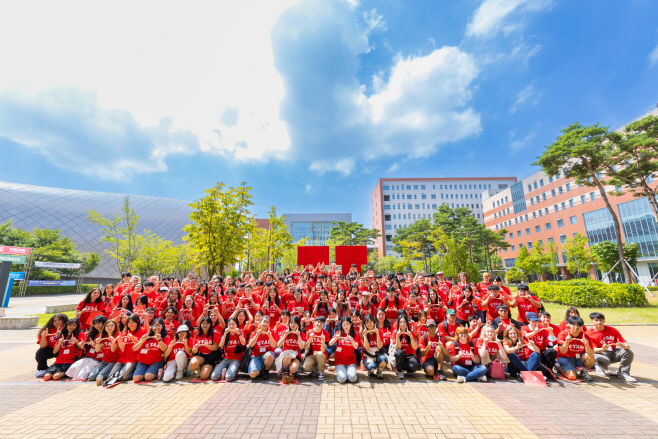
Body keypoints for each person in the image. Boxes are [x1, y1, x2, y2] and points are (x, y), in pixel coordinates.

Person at [587, 312, 636, 382]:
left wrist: (623, 346)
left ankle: (623, 373)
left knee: (629, 353)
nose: (599, 322)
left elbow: (627, 346)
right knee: (605, 360)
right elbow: (592, 350)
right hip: (599, 353)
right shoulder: (589, 333)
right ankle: (598, 365)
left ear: (604, 321)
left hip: (612, 352)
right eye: (596, 320)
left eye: (601, 320)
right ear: (592, 320)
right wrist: (603, 349)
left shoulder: (612, 330)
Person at [66, 315, 107, 381]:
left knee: (81, 375)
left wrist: (95, 344)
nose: (97, 325)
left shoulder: (107, 335)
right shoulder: (92, 333)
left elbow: (102, 349)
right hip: (87, 357)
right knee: (72, 369)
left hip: (97, 359)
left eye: (99, 323)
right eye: (95, 323)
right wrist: (78, 343)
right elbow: (83, 347)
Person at [109, 313, 147, 382]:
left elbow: (139, 345)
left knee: (122, 377)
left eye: (132, 322)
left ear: (138, 321)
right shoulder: (125, 332)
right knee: (111, 376)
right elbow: (122, 348)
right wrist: (119, 341)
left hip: (134, 359)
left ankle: (133, 373)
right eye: (129, 322)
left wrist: (132, 337)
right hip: (123, 358)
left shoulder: (142, 330)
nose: (130, 324)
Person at [556, 316, 594, 381]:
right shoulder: (563, 334)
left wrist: (586, 345)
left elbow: (591, 354)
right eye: (573, 325)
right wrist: (567, 342)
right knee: (572, 377)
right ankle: (557, 366)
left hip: (578, 358)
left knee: (590, 357)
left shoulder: (585, 336)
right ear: (569, 325)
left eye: (579, 325)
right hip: (565, 358)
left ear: (582, 327)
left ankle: (584, 371)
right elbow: (562, 351)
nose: (576, 327)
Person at [133, 318, 169, 383]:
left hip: (156, 361)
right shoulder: (147, 337)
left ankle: (159, 373)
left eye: (158, 325)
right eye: (154, 325)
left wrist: (159, 340)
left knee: (148, 377)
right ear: (152, 327)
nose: (156, 327)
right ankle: (145, 372)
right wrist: (142, 340)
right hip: (143, 361)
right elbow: (134, 349)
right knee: (136, 379)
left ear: (163, 326)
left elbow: (165, 349)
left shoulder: (165, 337)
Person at [35, 313, 69, 377]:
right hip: (52, 349)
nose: (57, 322)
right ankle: (43, 369)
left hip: (64, 349)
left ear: (64, 320)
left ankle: (64, 369)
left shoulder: (68, 328)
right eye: (54, 321)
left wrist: (61, 334)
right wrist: (44, 337)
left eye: (59, 320)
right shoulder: (48, 330)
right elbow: (43, 346)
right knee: (40, 352)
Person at [89, 319, 121, 384]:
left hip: (114, 361)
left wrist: (113, 341)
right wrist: (97, 343)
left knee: (100, 376)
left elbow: (113, 350)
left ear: (115, 327)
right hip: (105, 361)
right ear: (104, 327)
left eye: (112, 326)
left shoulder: (118, 336)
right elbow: (98, 350)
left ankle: (116, 371)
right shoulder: (103, 336)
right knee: (92, 377)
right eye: (107, 326)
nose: (109, 327)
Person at [274, 315, 305, 380]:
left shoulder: (301, 334)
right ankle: (287, 370)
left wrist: (298, 336)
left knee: (293, 369)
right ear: (289, 324)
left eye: (295, 323)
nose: (293, 324)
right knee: (287, 357)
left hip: (296, 356)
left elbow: (302, 347)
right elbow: (278, 345)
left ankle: (292, 370)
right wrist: (285, 335)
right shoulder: (285, 332)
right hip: (286, 356)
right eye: (291, 323)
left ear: (298, 324)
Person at [330, 317, 359, 383]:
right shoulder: (338, 333)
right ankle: (342, 371)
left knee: (352, 379)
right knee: (342, 379)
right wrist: (335, 338)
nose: (345, 326)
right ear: (341, 325)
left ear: (351, 324)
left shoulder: (355, 335)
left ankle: (349, 372)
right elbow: (330, 343)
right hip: (339, 361)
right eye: (344, 324)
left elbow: (356, 347)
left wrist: (352, 340)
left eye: (347, 324)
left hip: (351, 362)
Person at [247, 315, 277, 379]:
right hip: (256, 356)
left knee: (269, 356)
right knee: (252, 374)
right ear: (260, 323)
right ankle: (260, 369)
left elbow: (274, 345)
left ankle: (266, 370)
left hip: (267, 355)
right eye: (264, 321)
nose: (265, 324)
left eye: (267, 322)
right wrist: (257, 334)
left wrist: (270, 336)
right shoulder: (254, 333)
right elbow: (250, 345)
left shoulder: (271, 332)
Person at [302, 316, 330, 381]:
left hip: (321, 355)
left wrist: (323, 341)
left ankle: (321, 372)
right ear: (314, 322)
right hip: (311, 355)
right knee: (306, 367)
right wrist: (309, 339)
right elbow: (306, 347)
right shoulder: (309, 332)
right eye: (318, 322)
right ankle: (315, 367)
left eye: (321, 323)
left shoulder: (325, 333)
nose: (319, 324)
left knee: (320, 354)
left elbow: (323, 350)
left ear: (323, 324)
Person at [394, 315, 419, 380]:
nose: (402, 324)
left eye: (404, 322)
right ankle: (400, 371)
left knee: (414, 367)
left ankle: (407, 368)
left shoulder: (411, 333)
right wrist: (397, 337)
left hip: (409, 356)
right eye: (401, 322)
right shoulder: (396, 333)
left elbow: (415, 348)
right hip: (401, 356)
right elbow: (398, 348)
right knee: (399, 352)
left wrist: (411, 337)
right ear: (398, 323)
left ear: (407, 323)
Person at [362, 313, 385, 379]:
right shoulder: (363, 333)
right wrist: (365, 335)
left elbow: (380, 346)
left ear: (374, 322)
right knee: (372, 367)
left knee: (383, 360)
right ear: (365, 325)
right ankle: (371, 369)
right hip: (368, 355)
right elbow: (366, 347)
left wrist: (377, 334)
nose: (369, 324)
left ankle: (379, 371)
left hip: (378, 353)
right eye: (367, 323)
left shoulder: (379, 331)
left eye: (370, 322)